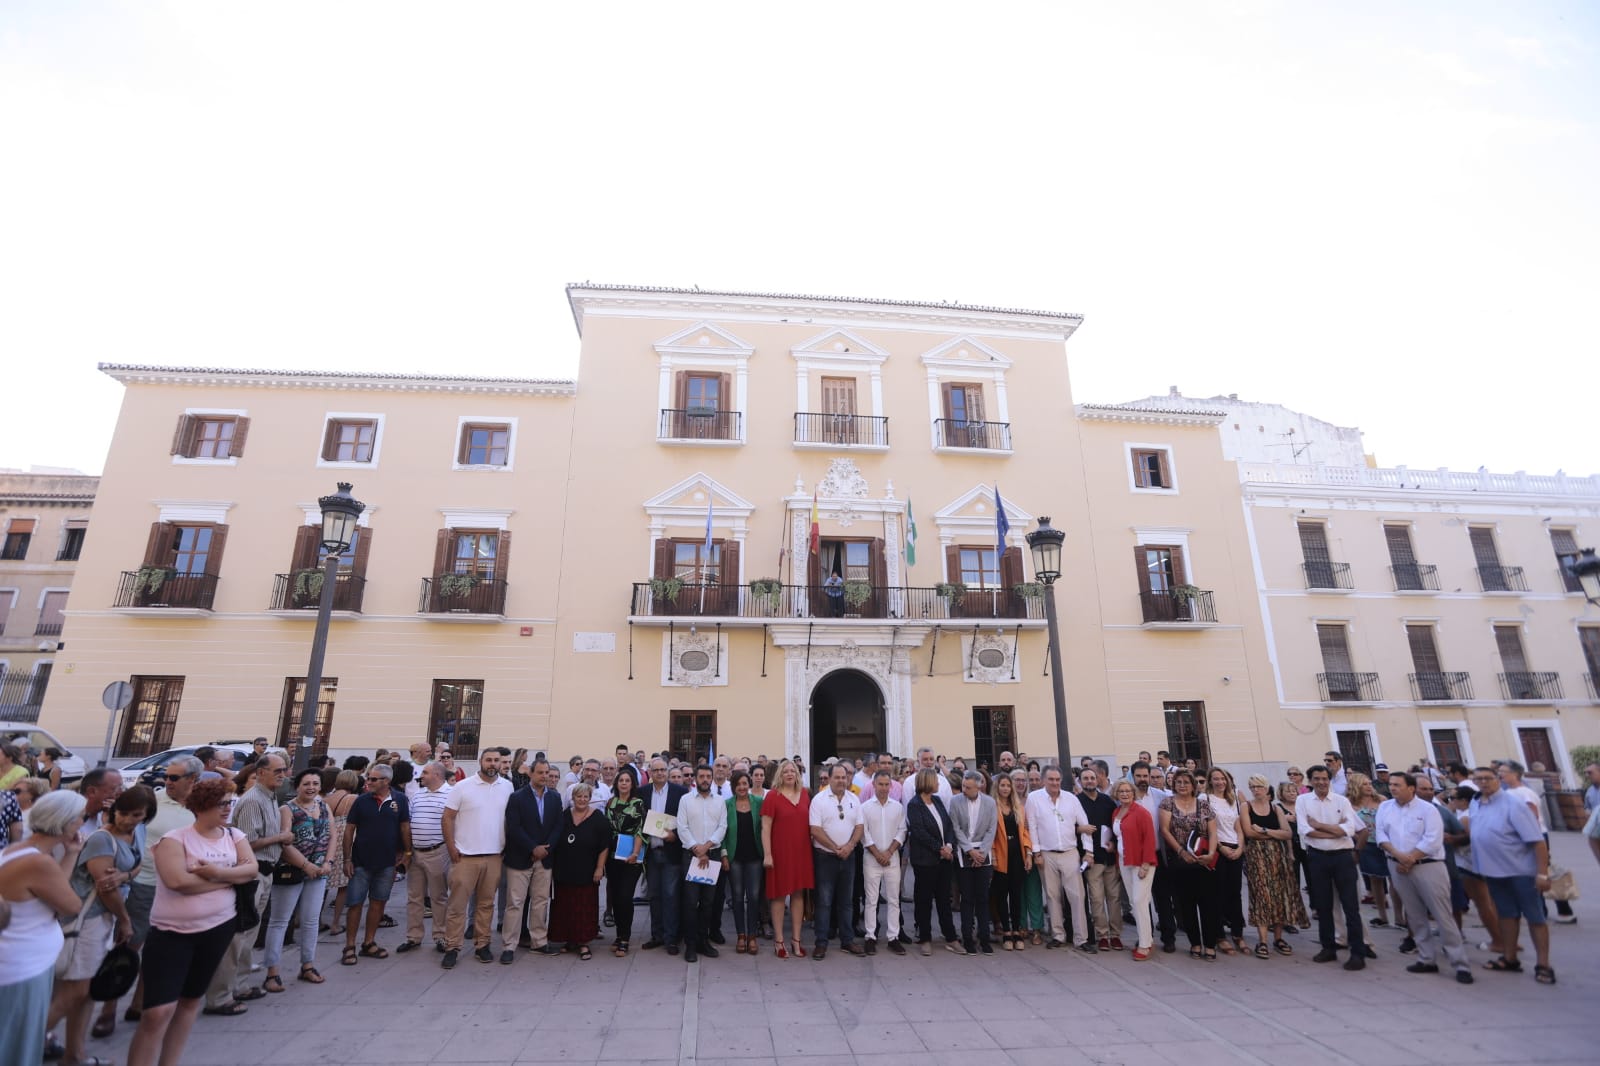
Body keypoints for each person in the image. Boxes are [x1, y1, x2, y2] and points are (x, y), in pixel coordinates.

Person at [127, 778, 258, 1066]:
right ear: (201, 806)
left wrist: (214, 872)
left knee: (189, 1002)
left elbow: (252, 869)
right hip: (171, 933)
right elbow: (177, 882)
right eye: (222, 803)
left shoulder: (234, 835)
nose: (228, 808)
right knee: (157, 1013)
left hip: (218, 929)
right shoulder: (175, 839)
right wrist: (227, 878)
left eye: (230, 802)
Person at [2, 791, 85, 1065]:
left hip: (20, 964)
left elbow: (51, 889)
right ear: (66, 823)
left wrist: (71, 853)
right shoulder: (38, 863)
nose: (82, 824)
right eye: (79, 818)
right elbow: (71, 905)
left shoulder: (20, 851)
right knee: (18, 1048)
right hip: (21, 969)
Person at [1376, 771, 1472, 984]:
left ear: (1411, 788)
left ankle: (1460, 962)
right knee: (1415, 914)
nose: (1392, 788)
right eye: (1391, 784)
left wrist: (1410, 858)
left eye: (1397, 785)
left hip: (1427, 866)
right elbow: (1381, 835)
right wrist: (1399, 856)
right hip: (1398, 866)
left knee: (1442, 914)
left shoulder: (1429, 810)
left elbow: (1433, 840)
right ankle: (1426, 957)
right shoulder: (1385, 808)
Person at [1468, 767, 1554, 984]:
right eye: (1479, 779)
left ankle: (1543, 964)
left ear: (1498, 780)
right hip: (1494, 872)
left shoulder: (1513, 804)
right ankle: (1509, 957)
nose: (1484, 783)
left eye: (1488, 778)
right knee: (1506, 915)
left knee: (1535, 917)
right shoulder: (1476, 802)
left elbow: (1537, 841)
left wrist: (1542, 873)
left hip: (1521, 871)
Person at [259, 768, 332, 993]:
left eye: (315, 783)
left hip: (318, 872)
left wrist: (328, 862)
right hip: (291, 872)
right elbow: (284, 843)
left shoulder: (323, 806)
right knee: (280, 921)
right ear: (297, 786)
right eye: (306, 783)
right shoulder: (287, 809)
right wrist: (305, 865)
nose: (311, 787)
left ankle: (307, 965)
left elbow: (332, 834)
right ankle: (272, 971)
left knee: (311, 921)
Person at [439, 748, 511, 968]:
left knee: (486, 905)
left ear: (501, 764)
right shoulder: (462, 787)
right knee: (457, 905)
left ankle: (482, 944)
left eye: (496, 761)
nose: (492, 764)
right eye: (488, 760)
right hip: (465, 857)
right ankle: (452, 946)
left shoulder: (508, 787)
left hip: (494, 856)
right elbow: (448, 818)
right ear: (480, 761)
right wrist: (451, 847)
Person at [1296, 764, 1368, 971]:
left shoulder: (1341, 801)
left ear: (1329, 780)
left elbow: (1350, 829)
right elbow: (1304, 830)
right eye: (1316, 779)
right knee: (1323, 905)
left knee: (1350, 907)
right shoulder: (1303, 801)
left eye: (1324, 778)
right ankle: (1328, 947)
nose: (1321, 782)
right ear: (1310, 781)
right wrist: (1335, 831)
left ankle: (1357, 952)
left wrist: (1320, 826)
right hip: (1317, 857)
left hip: (1342, 857)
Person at [342, 763, 411, 967]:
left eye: (373, 779)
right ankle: (349, 946)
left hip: (387, 862)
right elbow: (349, 830)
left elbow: (405, 826)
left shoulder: (400, 800)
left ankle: (369, 942)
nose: (368, 782)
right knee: (355, 903)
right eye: (368, 778)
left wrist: (407, 853)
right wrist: (347, 859)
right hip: (361, 861)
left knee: (378, 902)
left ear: (386, 781)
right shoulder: (361, 801)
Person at [1027, 767, 1096, 952]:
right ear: (1043, 780)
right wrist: (1036, 852)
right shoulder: (1034, 799)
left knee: (1077, 896)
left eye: (1057, 779)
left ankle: (1081, 938)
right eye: (1051, 779)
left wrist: (1088, 852)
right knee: (1052, 896)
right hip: (1047, 853)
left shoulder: (1071, 799)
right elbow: (1032, 826)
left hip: (1070, 852)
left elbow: (1085, 825)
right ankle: (1058, 935)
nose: (1055, 783)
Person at [501, 757, 562, 960]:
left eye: (547, 773)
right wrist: (532, 848)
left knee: (540, 901)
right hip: (520, 858)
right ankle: (509, 945)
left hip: (545, 859)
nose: (544, 776)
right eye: (540, 773)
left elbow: (558, 826)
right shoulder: (517, 797)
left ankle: (539, 941)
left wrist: (546, 849)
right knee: (515, 903)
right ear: (531, 774)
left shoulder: (555, 797)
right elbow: (514, 827)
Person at [1241, 774, 1306, 958]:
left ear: (1266, 787)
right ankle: (1262, 941)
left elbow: (1287, 833)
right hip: (1257, 856)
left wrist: (1264, 831)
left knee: (1279, 896)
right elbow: (1248, 832)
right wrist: (1272, 834)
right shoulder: (1246, 807)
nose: (1255, 790)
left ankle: (1278, 938)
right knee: (1262, 896)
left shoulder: (1275, 808)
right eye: (1252, 787)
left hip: (1278, 856)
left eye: (1258, 786)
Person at [544, 782, 611, 960]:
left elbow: (604, 846)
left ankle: (583, 943)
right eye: (578, 796)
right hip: (564, 870)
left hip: (587, 871)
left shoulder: (598, 819)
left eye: (585, 797)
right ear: (572, 798)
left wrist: (599, 868)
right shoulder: (564, 816)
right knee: (565, 906)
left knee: (584, 907)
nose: (582, 800)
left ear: (590, 799)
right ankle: (569, 940)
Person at [1159, 768, 1219, 960]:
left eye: (1186, 782)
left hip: (1203, 861)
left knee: (1209, 904)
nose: (1182, 786)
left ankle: (1210, 944)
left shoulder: (1204, 805)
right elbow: (1165, 830)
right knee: (1186, 905)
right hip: (1180, 861)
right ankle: (1195, 942)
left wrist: (1211, 853)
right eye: (1178, 782)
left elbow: (1213, 832)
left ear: (1193, 785)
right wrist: (1181, 852)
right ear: (1173, 785)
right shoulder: (1167, 803)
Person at [396, 760, 453, 954]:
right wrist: (407, 851)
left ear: (437, 775)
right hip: (415, 853)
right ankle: (413, 936)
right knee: (414, 897)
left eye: (426, 773)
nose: (421, 776)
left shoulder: (451, 794)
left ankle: (440, 936)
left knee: (438, 897)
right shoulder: (418, 795)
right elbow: (409, 821)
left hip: (437, 852)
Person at [759, 758, 812, 959]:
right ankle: (779, 940)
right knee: (779, 896)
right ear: (779, 775)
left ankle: (796, 940)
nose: (789, 774)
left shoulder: (805, 795)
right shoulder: (772, 796)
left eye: (793, 771)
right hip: (779, 853)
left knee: (798, 896)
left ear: (797, 774)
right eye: (786, 771)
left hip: (802, 852)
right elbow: (765, 828)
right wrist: (768, 854)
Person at [905, 767, 958, 956]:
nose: (938, 784)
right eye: (935, 781)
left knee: (944, 899)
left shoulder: (937, 801)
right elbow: (919, 832)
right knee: (924, 900)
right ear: (926, 782)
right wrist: (940, 849)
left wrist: (950, 845)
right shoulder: (914, 805)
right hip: (925, 861)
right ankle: (925, 938)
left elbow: (948, 825)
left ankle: (950, 936)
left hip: (944, 859)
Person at [677, 765, 727, 962]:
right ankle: (690, 944)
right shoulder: (685, 800)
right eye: (702, 776)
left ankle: (703, 941)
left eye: (708, 776)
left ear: (712, 779)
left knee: (708, 902)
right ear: (695, 779)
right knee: (690, 902)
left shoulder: (720, 802)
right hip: (691, 856)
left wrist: (706, 847)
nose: (705, 779)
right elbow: (682, 827)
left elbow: (723, 827)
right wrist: (697, 849)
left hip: (712, 856)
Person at [639, 757, 689, 954]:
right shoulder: (642, 793)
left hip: (671, 851)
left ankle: (671, 938)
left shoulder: (680, 793)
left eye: (662, 770)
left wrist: (674, 836)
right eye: (655, 770)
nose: (659, 773)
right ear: (650, 773)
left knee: (670, 896)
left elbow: (686, 822)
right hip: (651, 852)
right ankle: (656, 935)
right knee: (654, 896)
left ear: (668, 772)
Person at [949, 769, 997, 955]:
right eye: (963, 786)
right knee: (967, 898)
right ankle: (967, 937)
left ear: (979, 786)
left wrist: (982, 852)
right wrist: (969, 850)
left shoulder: (990, 803)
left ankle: (984, 938)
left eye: (968, 787)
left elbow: (991, 829)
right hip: (964, 852)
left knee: (983, 898)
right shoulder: (955, 801)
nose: (964, 790)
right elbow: (956, 827)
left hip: (983, 853)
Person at [858, 769, 905, 955]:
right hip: (871, 859)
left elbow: (902, 830)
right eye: (880, 784)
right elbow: (864, 833)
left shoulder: (898, 807)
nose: (884, 788)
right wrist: (877, 854)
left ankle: (893, 937)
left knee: (894, 899)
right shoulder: (865, 807)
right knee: (871, 900)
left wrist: (890, 852)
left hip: (892, 859)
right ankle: (871, 936)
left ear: (891, 786)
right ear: (873, 785)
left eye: (887, 785)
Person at [1109, 780, 1156, 959]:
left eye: (1128, 791)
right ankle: (1147, 938)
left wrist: (1146, 864)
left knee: (1139, 901)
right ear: (1116, 793)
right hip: (1124, 861)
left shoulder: (1141, 813)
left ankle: (1144, 945)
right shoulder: (1116, 812)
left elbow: (1150, 839)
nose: (1125, 794)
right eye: (1121, 791)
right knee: (1134, 903)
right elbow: (1120, 836)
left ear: (1133, 793)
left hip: (1141, 863)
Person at [1077, 766, 1122, 952]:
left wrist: (1113, 842)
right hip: (1091, 859)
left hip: (1109, 857)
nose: (1089, 781)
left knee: (1114, 898)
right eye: (1085, 778)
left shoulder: (1108, 801)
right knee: (1096, 898)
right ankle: (1102, 935)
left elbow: (1116, 825)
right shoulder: (1076, 801)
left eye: (1092, 778)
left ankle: (1116, 935)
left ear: (1098, 780)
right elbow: (1070, 827)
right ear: (1080, 782)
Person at [603, 765, 647, 957]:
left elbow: (640, 830)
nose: (624, 783)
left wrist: (635, 853)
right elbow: (606, 830)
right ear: (616, 783)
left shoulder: (638, 803)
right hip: (613, 856)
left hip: (631, 857)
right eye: (621, 780)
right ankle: (619, 935)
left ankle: (625, 938)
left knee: (625, 896)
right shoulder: (610, 803)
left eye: (627, 781)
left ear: (632, 784)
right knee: (615, 897)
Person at [720, 769, 763, 956]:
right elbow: (721, 831)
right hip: (734, 857)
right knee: (737, 897)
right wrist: (723, 855)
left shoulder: (759, 803)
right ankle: (741, 935)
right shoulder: (726, 805)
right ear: (733, 787)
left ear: (750, 784)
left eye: (745, 784)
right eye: (738, 784)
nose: (742, 787)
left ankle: (753, 935)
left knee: (753, 897)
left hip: (755, 857)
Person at [1205, 767, 1246, 954]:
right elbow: (1207, 829)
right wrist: (1221, 848)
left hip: (1235, 848)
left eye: (1222, 778)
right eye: (1216, 779)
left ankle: (1238, 932)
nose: (1220, 782)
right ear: (1210, 781)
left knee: (1235, 892)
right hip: (1217, 849)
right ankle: (1219, 935)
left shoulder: (1234, 800)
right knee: (1218, 893)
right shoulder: (1205, 799)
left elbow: (1239, 827)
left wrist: (1240, 848)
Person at [321, 769, 360, 936]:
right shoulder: (352, 799)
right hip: (344, 838)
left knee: (322, 883)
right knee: (343, 885)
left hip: (328, 837)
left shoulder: (326, 799)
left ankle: (314, 919)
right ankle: (335, 923)